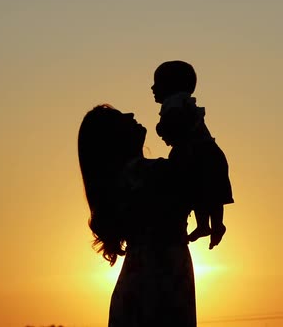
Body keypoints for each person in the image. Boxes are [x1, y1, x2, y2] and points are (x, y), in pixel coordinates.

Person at [78, 104, 196, 327]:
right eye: (120, 118)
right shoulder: (143, 176)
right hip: (156, 285)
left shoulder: (136, 176)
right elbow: (197, 172)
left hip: (149, 282)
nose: (131, 114)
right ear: (112, 140)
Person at [152, 60, 234, 249]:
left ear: (170, 85)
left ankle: (207, 225)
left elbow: (177, 122)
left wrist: (162, 128)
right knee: (208, 191)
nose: (153, 88)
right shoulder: (180, 100)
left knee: (200, 188)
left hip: (196, 153)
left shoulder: (173, 102)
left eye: (157, 83)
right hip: (206, 150)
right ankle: (213, 224)